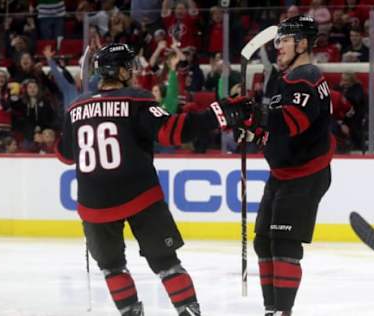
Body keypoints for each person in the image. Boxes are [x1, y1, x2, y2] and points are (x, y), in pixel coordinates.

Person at [55, 43, 252, 316]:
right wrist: (221, 113)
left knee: (112, 267)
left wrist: (75, 118)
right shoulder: (137, 99)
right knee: (166, 263)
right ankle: (188, 311)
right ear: (120, 70)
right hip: (139, 196)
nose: (133, 71)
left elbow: (65, 155)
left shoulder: (77, 107)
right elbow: (172, 132)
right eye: (129, 66)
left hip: (94, 205)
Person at [246, 16, 334, 316]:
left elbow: (292, 125)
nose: (277, 46)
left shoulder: (306, 77)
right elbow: (278, 134)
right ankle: (272, 310)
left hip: (304, 174)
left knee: (283, 242)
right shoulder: (289, 78)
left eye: (284, 40)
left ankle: (282, 311)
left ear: (303, 43)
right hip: (285, 172)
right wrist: (254, 127)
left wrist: (256, 117)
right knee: (263, 242)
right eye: (278, 41)